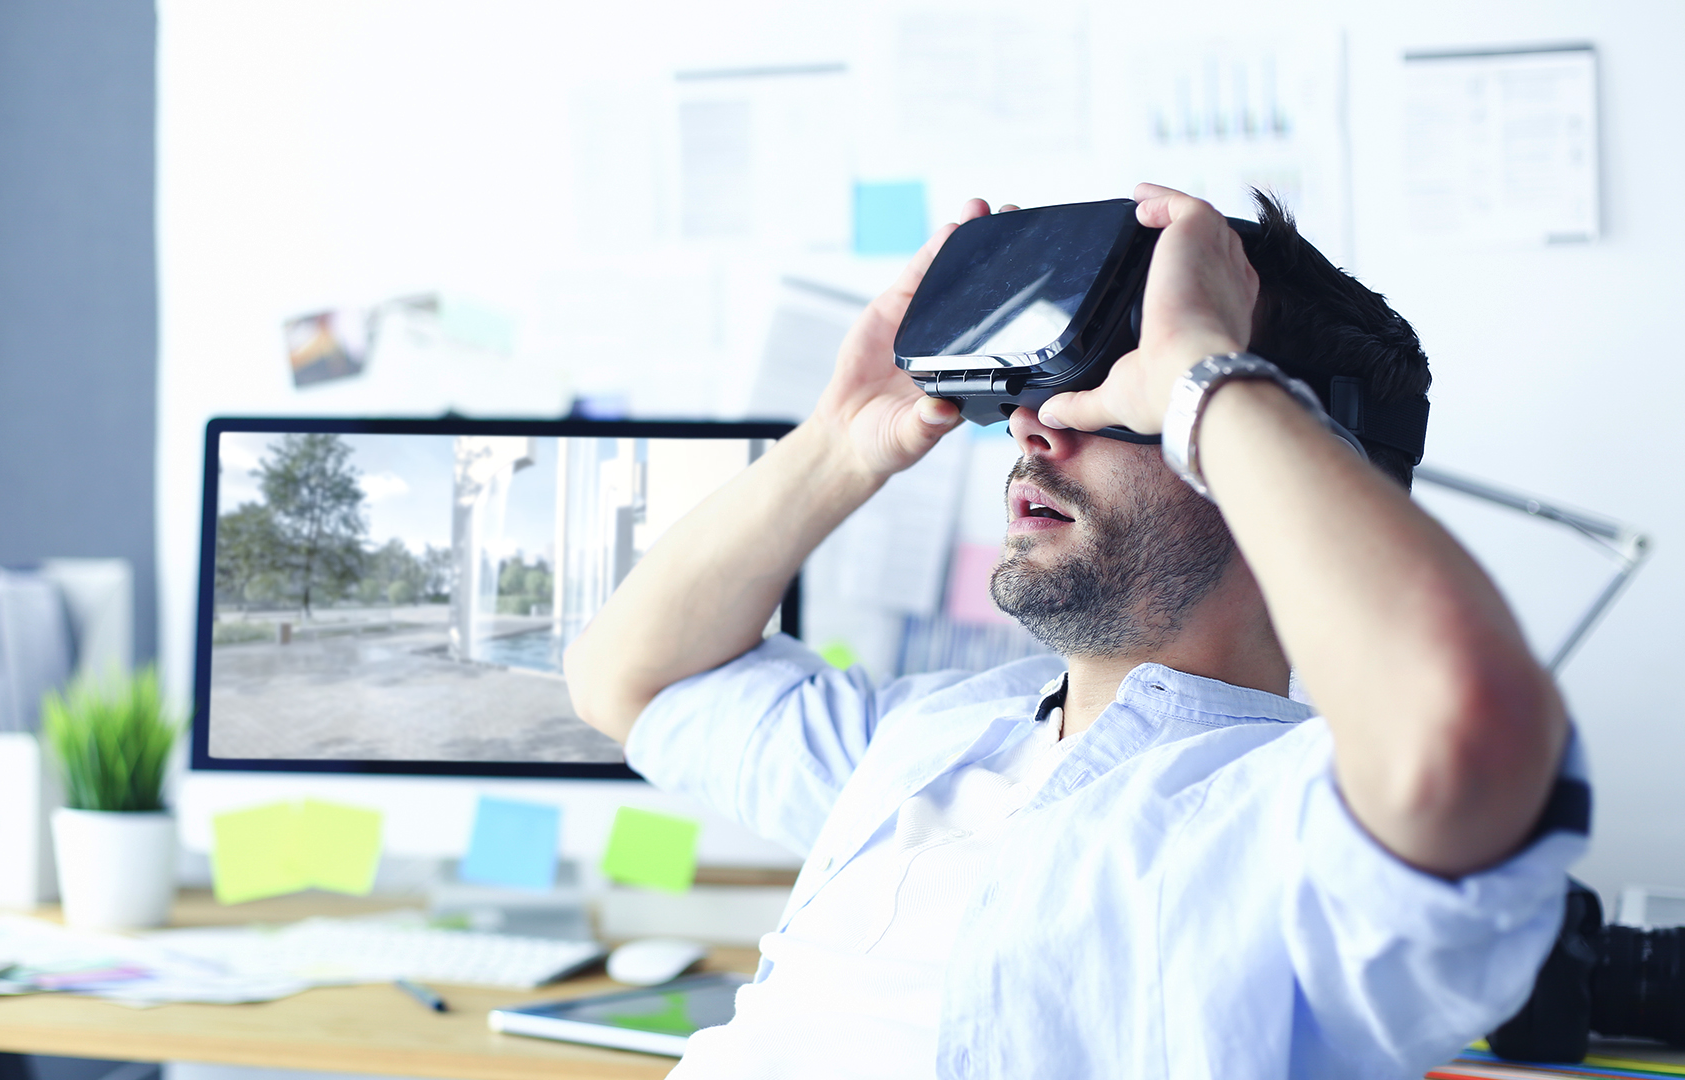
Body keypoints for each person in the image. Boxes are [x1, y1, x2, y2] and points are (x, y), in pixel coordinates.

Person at [562, 184, 1587, 1079]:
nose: (1034, 427)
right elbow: (628, 680)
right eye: (1040, 386)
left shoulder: (1294, 826)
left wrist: (1201, 374)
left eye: (1116, 389)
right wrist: (840, 441)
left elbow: (1464, 734)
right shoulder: (926, 739)